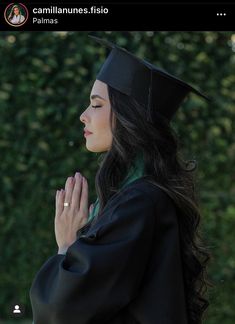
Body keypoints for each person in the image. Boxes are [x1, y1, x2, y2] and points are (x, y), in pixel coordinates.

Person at [29, 35, 212, 324]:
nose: (83, 115)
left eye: (97, 105)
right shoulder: (138, 195)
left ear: (129, 117)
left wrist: (66, 246)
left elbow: (62, 310)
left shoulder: (139, 202)